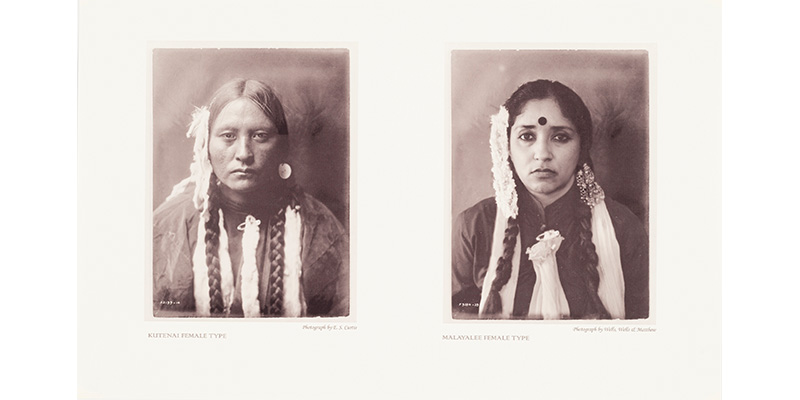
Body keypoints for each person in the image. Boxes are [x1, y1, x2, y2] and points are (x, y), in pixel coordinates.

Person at [452, 80, 648, 320]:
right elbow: (452, 323)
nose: (542, 154)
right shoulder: (474, 226)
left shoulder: (623, 228)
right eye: (526, 136)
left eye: (561, 138)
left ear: (582, 149)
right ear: (507, 147)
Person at [153, 78, 349, 318]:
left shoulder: (316, 225)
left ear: (281, 147)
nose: (244, 154)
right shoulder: (172, 223)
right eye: (228, 136)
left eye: (259, 136)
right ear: (206, 145)